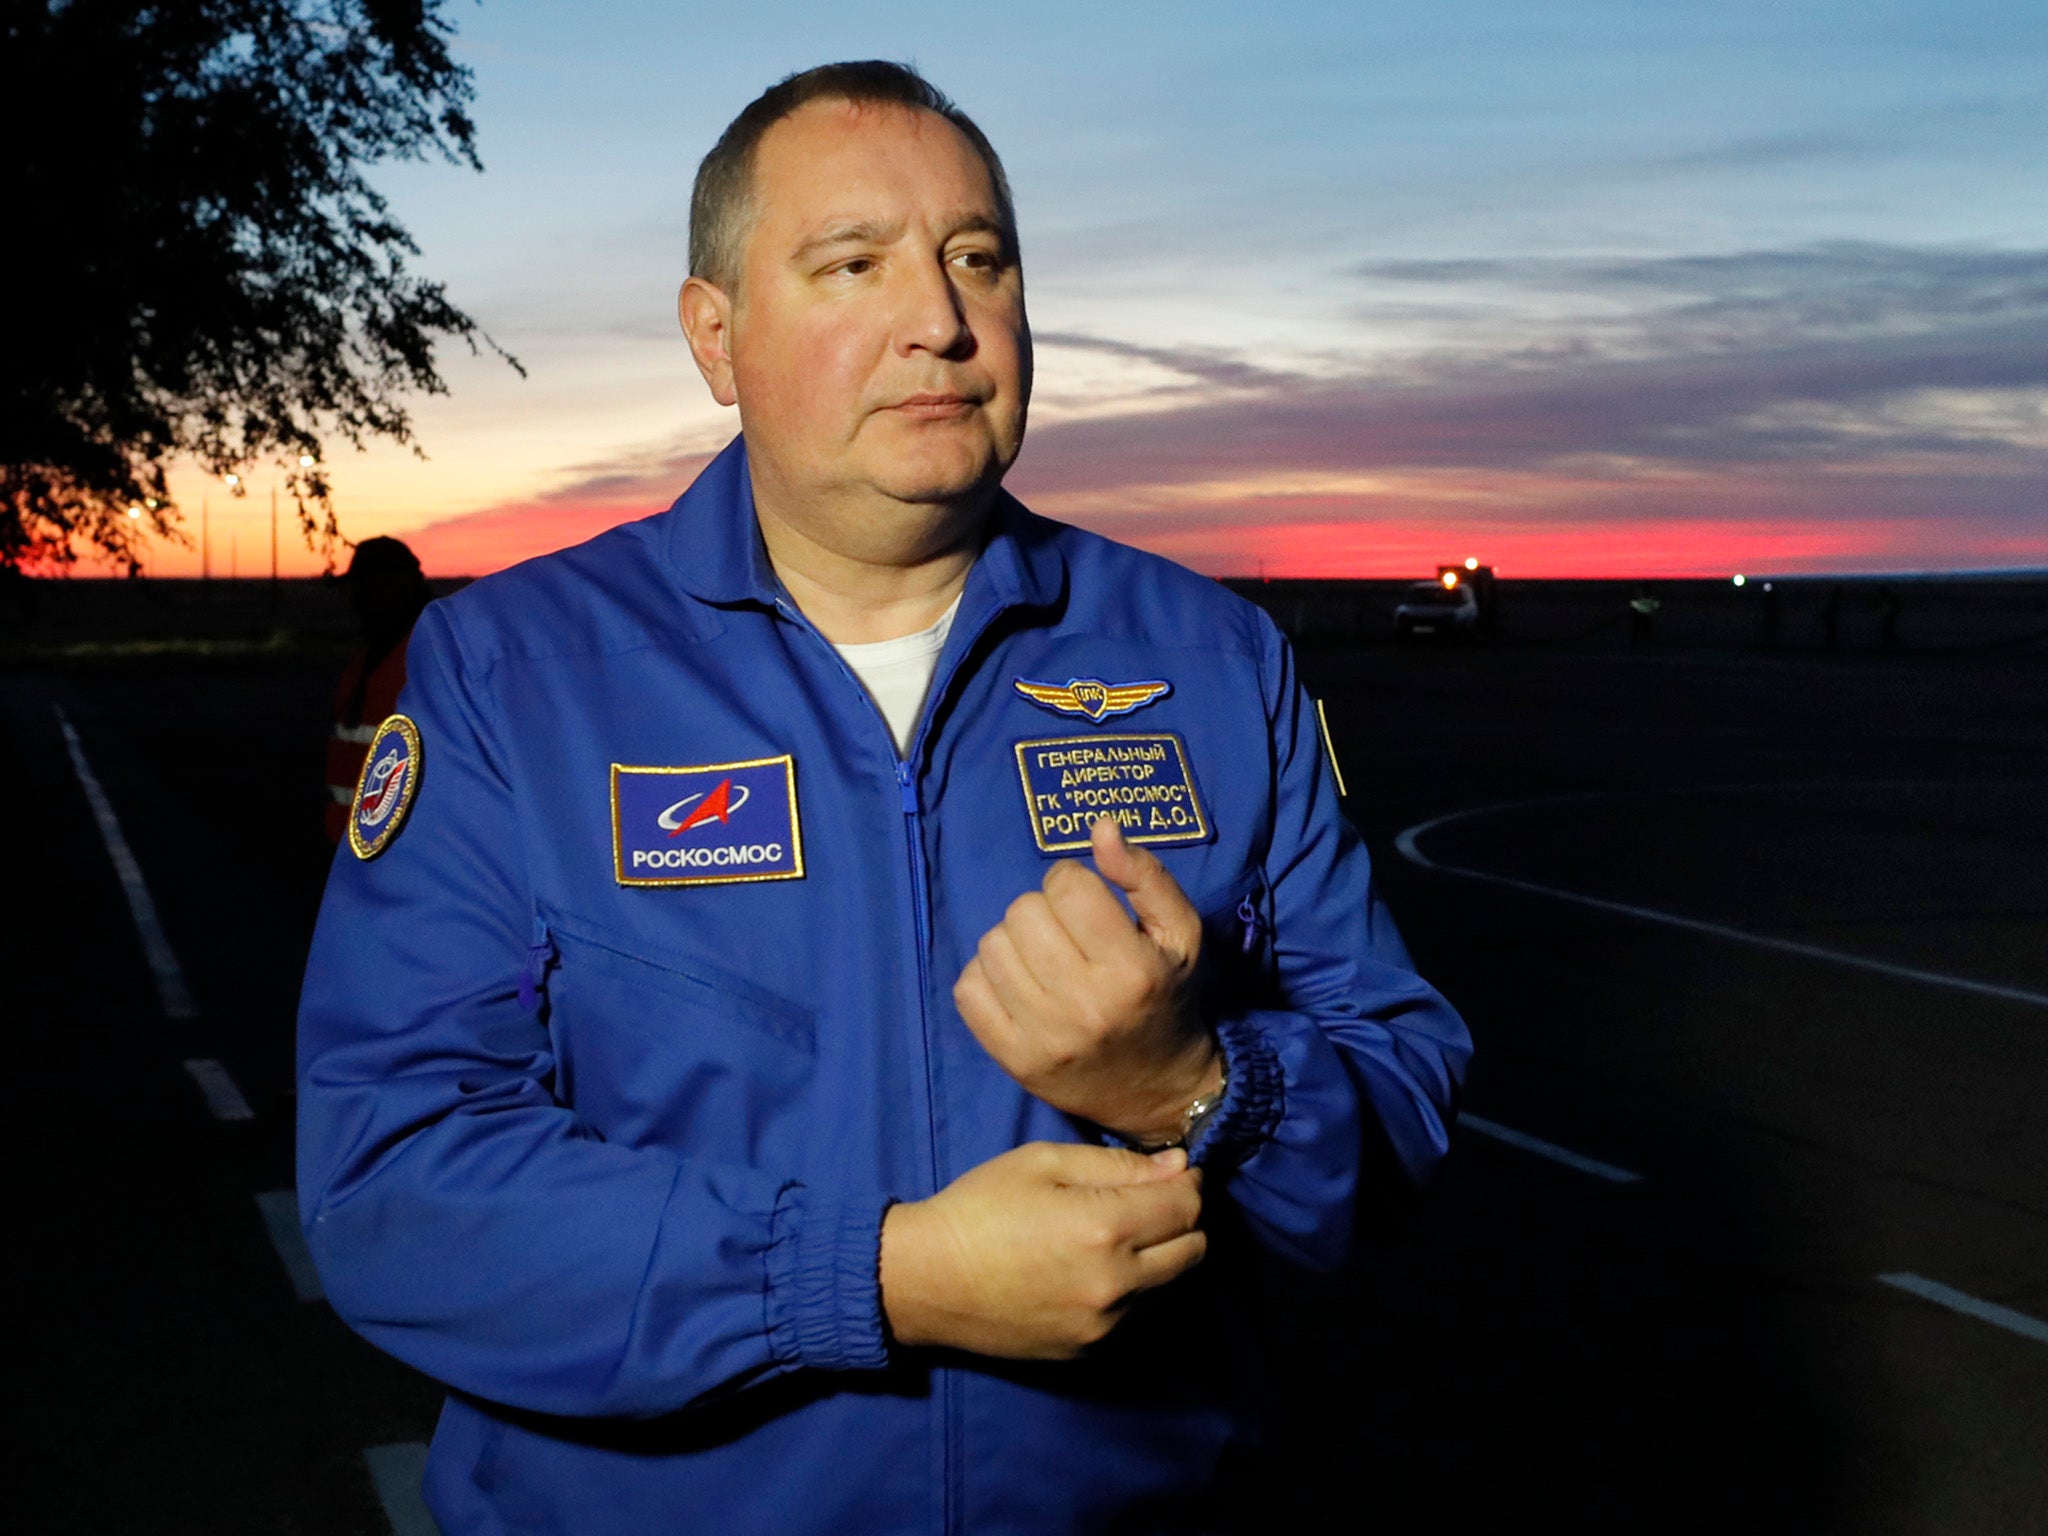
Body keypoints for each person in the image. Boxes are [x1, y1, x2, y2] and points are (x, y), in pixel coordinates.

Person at [298, 61, 1470, 1535]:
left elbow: (1404, 1115)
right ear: (715, 336)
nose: (943, 320)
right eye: (853, 264)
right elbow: (394, 1185)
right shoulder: (511, 675)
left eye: (978, 257)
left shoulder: (1212, 661)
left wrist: (1194, 1083)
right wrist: (876, 1278)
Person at [321, 535, 430, 843]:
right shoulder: (368, 659)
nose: (355, 599)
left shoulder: (426, 660)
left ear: (398, 587)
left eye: (364, 587)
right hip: (352, 851)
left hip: (394, 854)